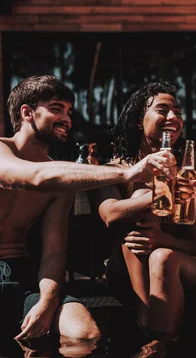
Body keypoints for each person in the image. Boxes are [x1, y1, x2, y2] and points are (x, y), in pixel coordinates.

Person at [0, 76, 173, 343]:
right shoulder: (2, 150)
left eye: (69, 112)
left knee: (85, 335)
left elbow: (54, 254)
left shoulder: (63, 182)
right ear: (27, 112)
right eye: (56, 108)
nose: (67, 119)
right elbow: (33, 176)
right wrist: (128, 173)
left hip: (21, 279)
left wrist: (47, 301)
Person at [95, 82, 196, 341]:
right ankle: (147, 314)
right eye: (162, 110)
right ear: (139, 120)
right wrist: (160, 193)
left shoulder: (194, 168)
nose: (173, 117)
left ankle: (154, 338)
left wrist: (161, 241)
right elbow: (111, 215)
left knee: (161, 257)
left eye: (178, 112)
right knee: (137, 199)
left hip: (183, 269)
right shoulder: (118, 169)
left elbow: (192, 243)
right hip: (126, 276)